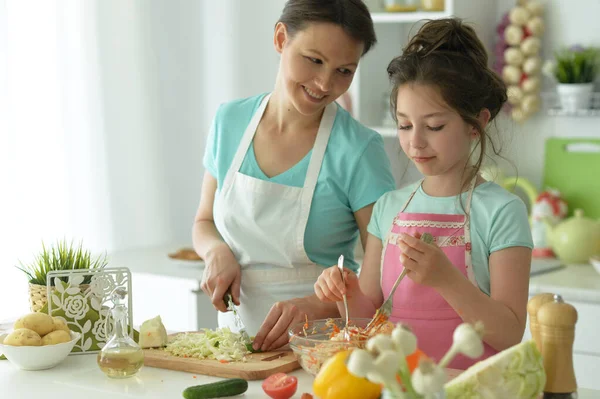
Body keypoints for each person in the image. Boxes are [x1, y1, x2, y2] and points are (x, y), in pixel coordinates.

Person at [314, 18, 533, 369]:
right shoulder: (388, 208)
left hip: (472, 390)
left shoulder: (503, 212)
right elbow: (366, 321)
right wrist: (345, 293)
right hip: (398, 386)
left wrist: (447, 279)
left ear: (477, 124)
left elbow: (509, 332)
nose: (414, 142)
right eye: (404, 125)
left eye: (434, 126)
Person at [192, 0, 396, 352]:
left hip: (321, 349)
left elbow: (387, 280)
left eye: (344, 71)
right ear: (281, 38)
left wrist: (320, 305)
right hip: (231, 347)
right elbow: (204, 221)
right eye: (314, 60)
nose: (324, 83)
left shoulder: (360, 150)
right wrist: (216, 252)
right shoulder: (229, 122)